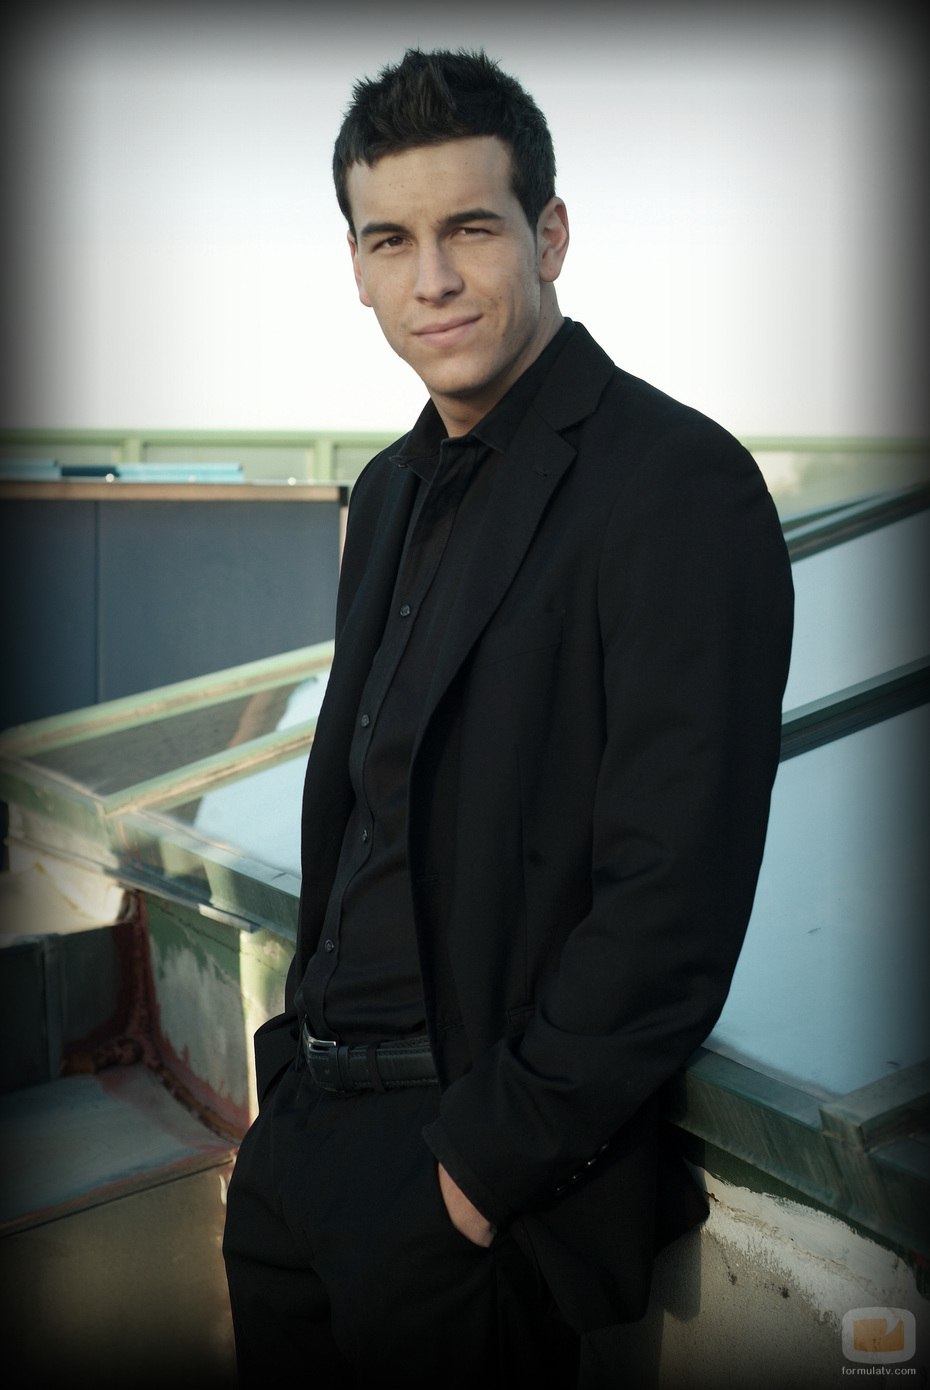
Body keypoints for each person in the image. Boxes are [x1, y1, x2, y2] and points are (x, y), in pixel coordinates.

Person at [222, 47, 793, 1388]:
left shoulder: (676, 485)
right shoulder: (388, 489)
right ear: (356, 266)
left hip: (458, 1185)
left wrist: (476, 1176)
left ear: (549, 235)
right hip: (301, 1146)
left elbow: (672, 898)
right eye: (391, 240)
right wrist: (284, 1096)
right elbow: (369, 818)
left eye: (469, 230)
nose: (431, 278)